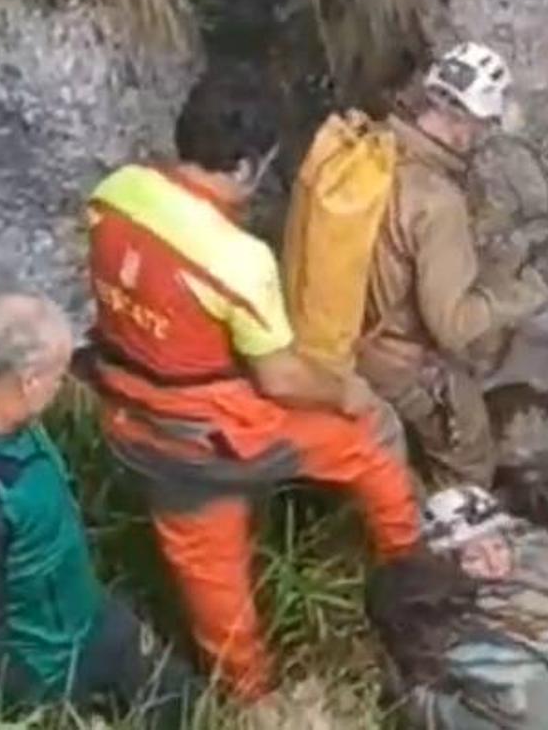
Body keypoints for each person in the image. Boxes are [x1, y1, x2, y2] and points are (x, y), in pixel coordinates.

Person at [84, 71, 421, 702]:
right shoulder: (238, 259)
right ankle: (407, 572)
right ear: (246, 166)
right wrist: (348, 392)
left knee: (212, 583)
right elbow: (282, 375)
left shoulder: (114, 192)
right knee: (367, 438)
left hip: (133, 422)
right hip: (216, 437)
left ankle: (250, 699)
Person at [0, 294, 198, 727]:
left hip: (92, 615)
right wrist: (39, 709)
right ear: (28, 383)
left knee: (185, 702)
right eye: (56, 378)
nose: (60, 388)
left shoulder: (6, 415)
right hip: (47, 666)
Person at [358, 42, 548, 491]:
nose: (482, 136)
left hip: (345, 339)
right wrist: (519, 296)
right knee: (469, 457)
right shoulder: (435, 202)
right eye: (483, 125)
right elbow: (453, 326)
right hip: (397, 361)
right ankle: (452, 544)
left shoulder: (370, 145)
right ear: (463, 124)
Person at [368, 485, 548, 729]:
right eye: (475, 558)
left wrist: (411, 698)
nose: (495, 564)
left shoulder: (473, 636)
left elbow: (440, 710)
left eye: (498, 547)